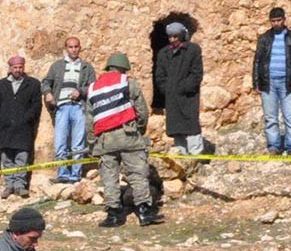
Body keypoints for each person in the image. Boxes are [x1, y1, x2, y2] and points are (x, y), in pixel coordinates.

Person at [87, 52, 160, 228]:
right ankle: (144, 212)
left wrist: (92, 142)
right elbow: (141, 110)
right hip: (127, 135)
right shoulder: (127, 82)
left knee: (109, 177)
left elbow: (90, 119)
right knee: (137, 174)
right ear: (124, 68)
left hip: (105, 139)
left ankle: (113, 215)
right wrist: (139, 129)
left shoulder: (93, 88)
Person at [252, 7, 291, 156]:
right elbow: (257, 61)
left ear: (284, 19)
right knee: (271, 117)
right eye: (273, 21)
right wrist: (256, 83)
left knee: (290, 116)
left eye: (278, 20)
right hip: (268, 83)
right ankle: (274, 146)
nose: (276, 23)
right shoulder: (264, 39)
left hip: (288, 83)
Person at [42, 37, 95, 184]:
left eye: (76, 46)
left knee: (78, 143)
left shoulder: (87, 67)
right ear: (66, 48)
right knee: (60, 142)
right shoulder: (57, 66)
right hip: (62, 107)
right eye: (70, 47)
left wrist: (80, 91)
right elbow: (46, 82)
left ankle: (75, 175)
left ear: (80, 48)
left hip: (79, 107)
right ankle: (63, 174)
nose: (73, 49)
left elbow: (93, 86)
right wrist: (48, 93)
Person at [0, 55, 43, 199]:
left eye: (20, 67)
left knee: (21, 157)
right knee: (7, 158)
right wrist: (2, 118)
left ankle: (20, 185)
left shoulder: (32, 84)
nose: (18, 70)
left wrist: (25, 119)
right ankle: (9, 185)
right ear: (10, 68)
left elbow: (36, 105)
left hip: (23, 128)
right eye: (15, 67)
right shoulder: (2, 84)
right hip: (5, 128)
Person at [151, 22, 205, 158]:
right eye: (170, 37)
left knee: (191, 125)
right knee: (176, 127)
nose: (173, 39)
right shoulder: (164, 53)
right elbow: (160, 75)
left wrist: (185, 87)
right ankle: (182, 157)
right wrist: (168, 89)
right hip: (172, 97)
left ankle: (196, 157)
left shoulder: (193, 50)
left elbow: (196, 73)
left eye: (176, 36)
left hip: (189, 97)